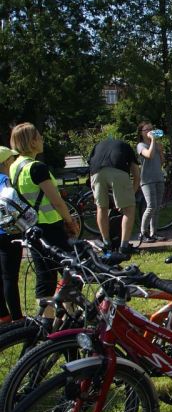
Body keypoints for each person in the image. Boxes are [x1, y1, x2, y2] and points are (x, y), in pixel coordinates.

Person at [9, 123, 81, 300]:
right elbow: (56, 201)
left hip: (31, 227)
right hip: (50, 226)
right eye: (39, 136)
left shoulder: (14, 166)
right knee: (74, 271)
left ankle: (50, 314)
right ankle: (67, 309)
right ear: (32, 142)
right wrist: (70, 221)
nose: (42, 139)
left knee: (45, 276)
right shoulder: (37, 168)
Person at [88, 135, 141, 254]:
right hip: (118, 171)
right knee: (129, 210)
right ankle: (124, 246)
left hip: (96, 173)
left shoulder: (98, 146)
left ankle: (107, 243)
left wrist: (94, 192)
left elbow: (90, 167)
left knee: (101, 208)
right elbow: (137, 175)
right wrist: (131, 195)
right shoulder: (125, 146)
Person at [0, 146, 24, 323]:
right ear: (5, 162)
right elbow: (9, 202)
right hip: (7, 232)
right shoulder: (4, 180)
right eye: (12, 159)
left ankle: (3, 315)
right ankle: (17, 318)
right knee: (9, 277)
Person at [136, 122, 165, 242]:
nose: (150, 131)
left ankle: (154, 233)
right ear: (141, 133)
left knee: (157, 207)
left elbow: (161, 162)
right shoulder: (141, 145)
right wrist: (153, 141)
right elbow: (149, 155)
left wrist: (161, 151)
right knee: (151, 206)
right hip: (147, 180)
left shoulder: (155, 145)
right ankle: (143, 232)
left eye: (151, 129)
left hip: (159, 178)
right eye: (147, 130)